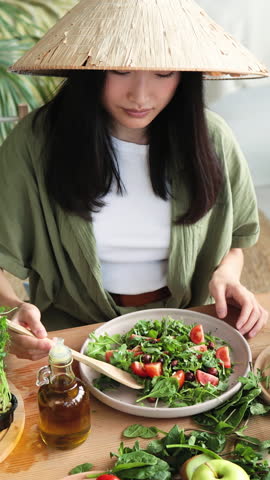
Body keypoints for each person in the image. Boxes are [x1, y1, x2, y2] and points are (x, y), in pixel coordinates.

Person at [0, 0, 268, 361]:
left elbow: (235, 239)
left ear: (185, 75)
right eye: (122, 71)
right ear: (90, 65)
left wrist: (227, 276)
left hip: (187, 330)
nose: (140, 96)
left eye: (162, 74)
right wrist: (12, 309)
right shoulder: (35, 143)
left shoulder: (212, 138)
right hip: (71, 337)